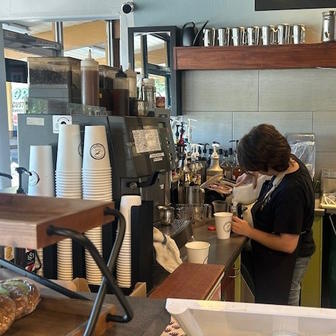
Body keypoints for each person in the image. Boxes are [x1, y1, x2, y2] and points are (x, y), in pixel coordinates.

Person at [232, 124, 315, 305]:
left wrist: (249, 231)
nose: (261, 173)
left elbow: (287, 244)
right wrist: (251, 173)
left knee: (285, 307)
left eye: (260, 169)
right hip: (276, 256)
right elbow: (268, 164)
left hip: (291, 258)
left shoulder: (292, 192)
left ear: (268, 164)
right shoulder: (288, 161)